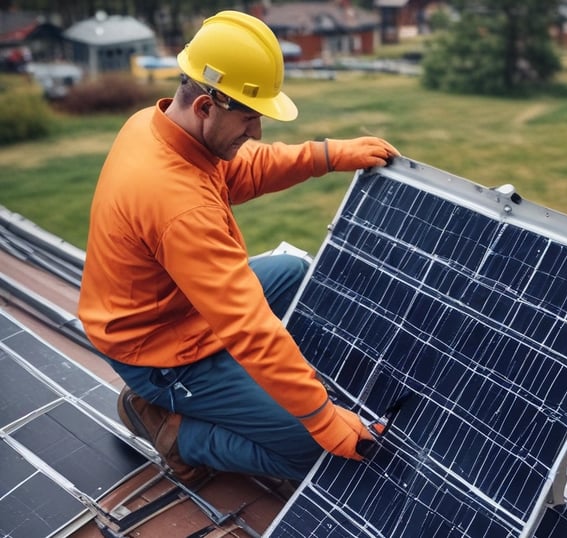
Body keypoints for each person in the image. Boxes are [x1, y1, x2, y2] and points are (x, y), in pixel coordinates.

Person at [77, 10, 400, 486]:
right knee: (315, 454)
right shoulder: (177, 204)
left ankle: (255, 395)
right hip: (161, 351)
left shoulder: (159, 126)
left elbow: (239, 170)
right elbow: (248, 327)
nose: (257, 133)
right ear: (206, 107)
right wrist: (321, 417)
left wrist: (324, 156)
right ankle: (177, 432)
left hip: (182, 310)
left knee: (291, 270)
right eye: (250, 118)